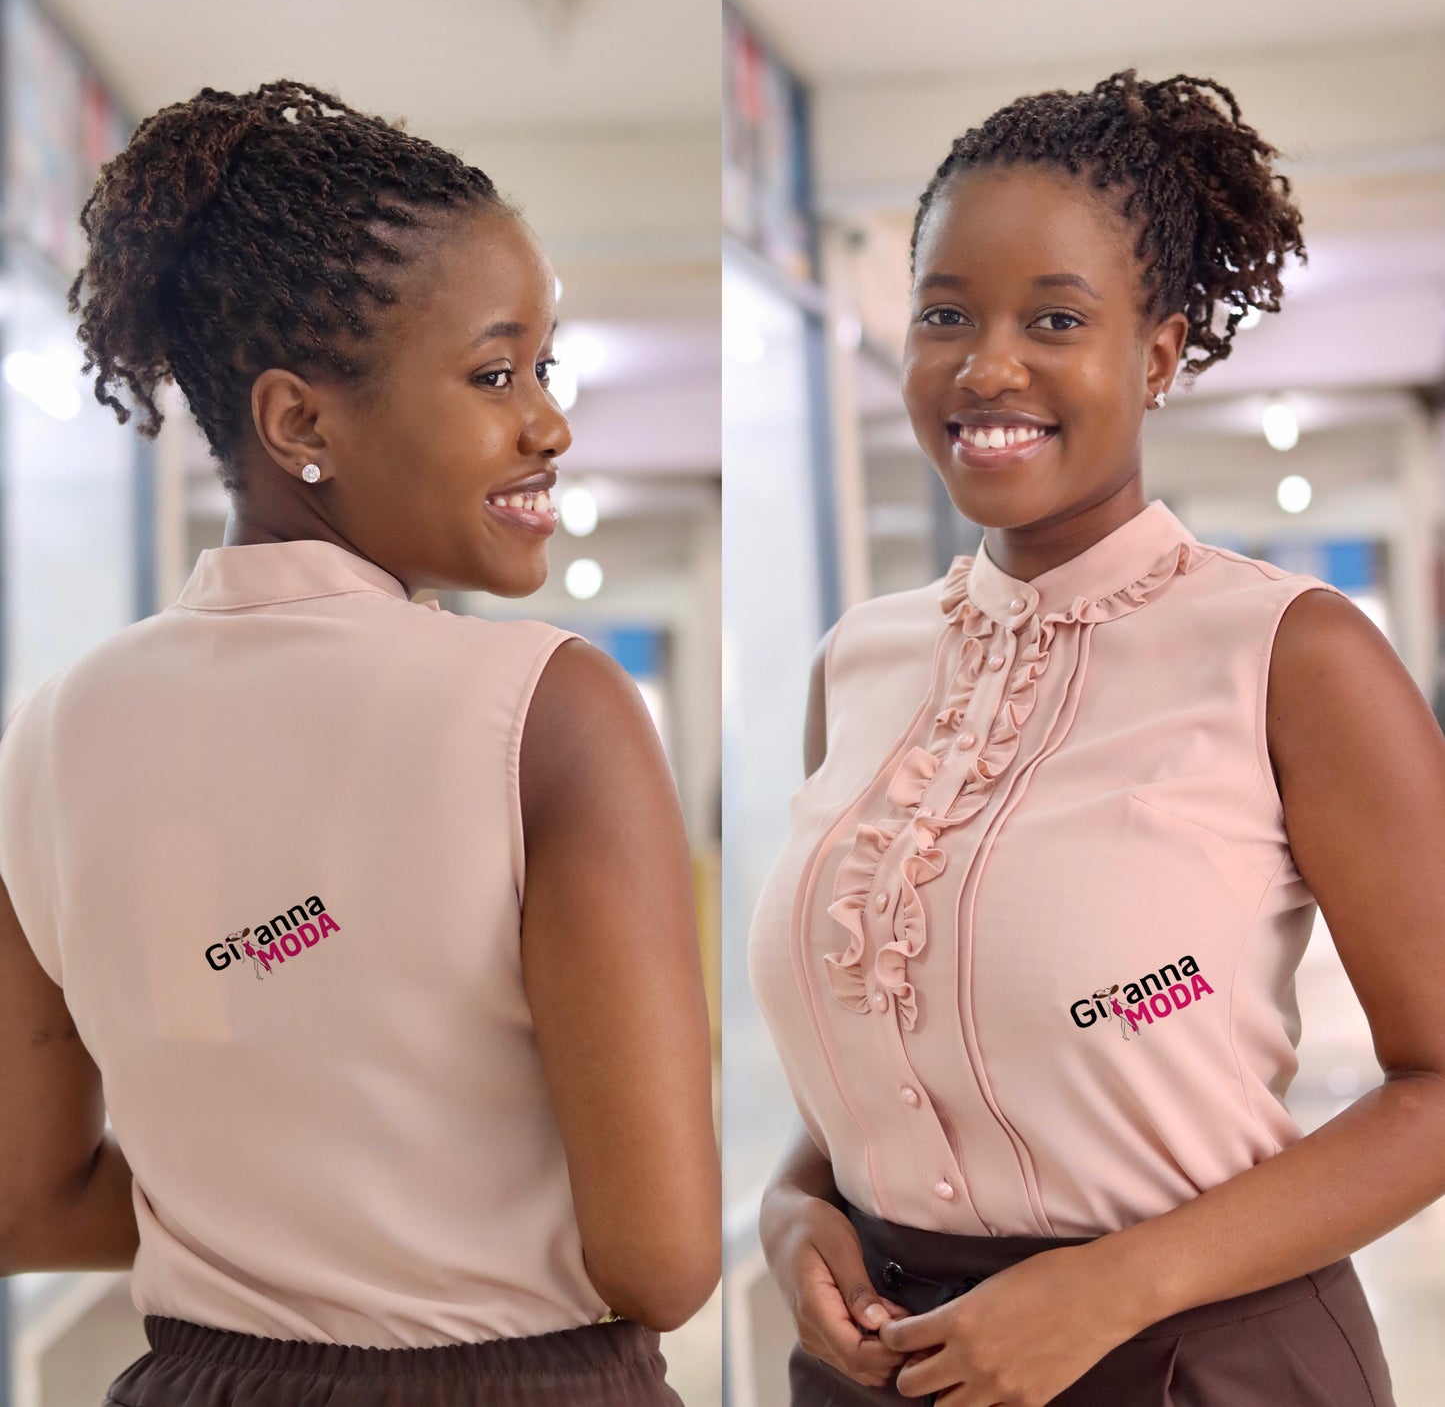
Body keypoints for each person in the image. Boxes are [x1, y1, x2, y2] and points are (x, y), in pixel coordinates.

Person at [0, 80, 719, 1406]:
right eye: (494, 373)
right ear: (300, 422)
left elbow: (26, 1202)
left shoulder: (49, 734)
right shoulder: (548, 710)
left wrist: (279, 1225)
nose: (549, 423)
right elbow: (660, 1257)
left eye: (544, 369)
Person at [749, 70, 1445, 1406]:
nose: (986, 366)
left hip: (1196, 1358)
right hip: (881, 1365)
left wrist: (1114, 1287)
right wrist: (792, 1203)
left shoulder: (1291, 653)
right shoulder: (860, 662)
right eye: (944, 314)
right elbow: (885, 1027)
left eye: (1054, 319)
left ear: (1158, 354)